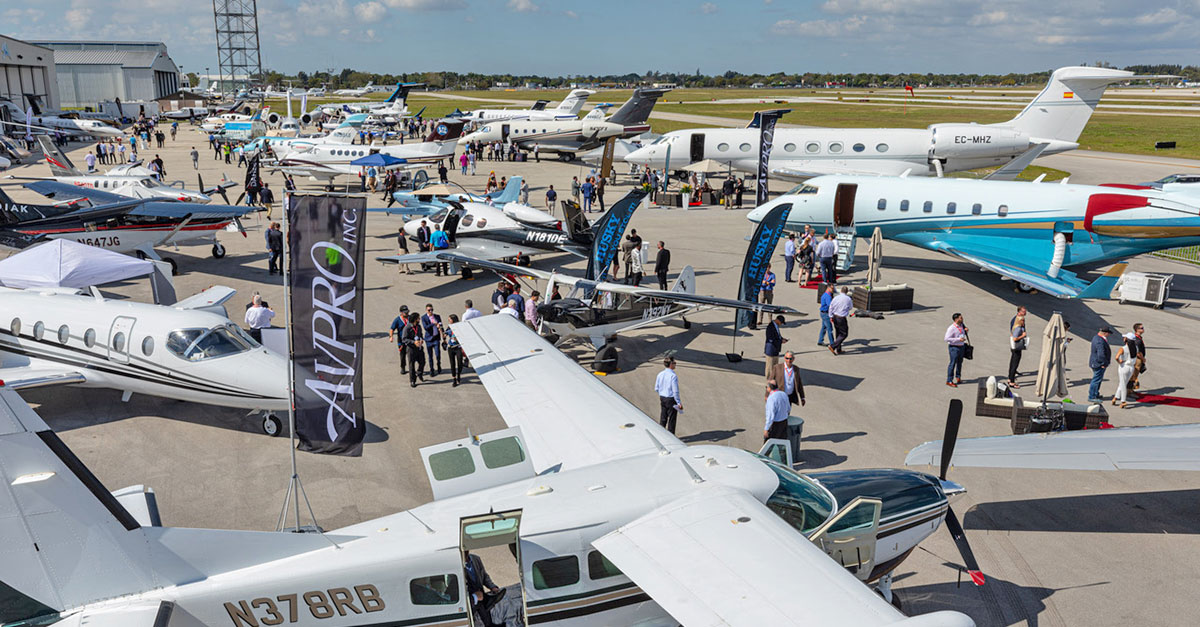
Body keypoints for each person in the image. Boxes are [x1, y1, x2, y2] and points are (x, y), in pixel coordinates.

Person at [464, 551, 500, 621]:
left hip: (482, 598)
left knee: (488, 621)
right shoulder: (457, 564)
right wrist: (473, 597)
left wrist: (492, 587)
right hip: (470, 602)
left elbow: (484, 576)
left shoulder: (476, 559)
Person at [1088, 326, 1113, 403]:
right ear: (1105, 333)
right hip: (1098, 363)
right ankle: (1092, 396)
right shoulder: (1100, 341)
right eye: (1108, 333)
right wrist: (1103, 363)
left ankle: (1095, 393)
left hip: (1095, 362)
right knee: (1096, 380)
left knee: (1098, 379)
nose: (1109, 335)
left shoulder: (1096, 337)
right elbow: (1101, 354)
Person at [1113, 332, 1137, 409]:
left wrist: (1119, 361)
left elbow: (1116, 357)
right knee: (1123, 383)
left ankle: (1123, 401)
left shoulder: (1123, 348)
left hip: (1124, 367)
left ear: (1126, 339)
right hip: (1131, 367)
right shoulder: (1136, 348)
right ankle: (1115, 398)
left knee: (1123, 384)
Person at [944, 313, 968, 387]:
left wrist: (966, 331)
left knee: (960, 363)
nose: (962, 319)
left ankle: (958, 377)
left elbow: (962, 333)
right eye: (961, 318)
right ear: (956, 319)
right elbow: (946, 339)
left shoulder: (962, 325)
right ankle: (949, 380)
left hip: (961, 347)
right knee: (953, 363)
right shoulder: (951, 328)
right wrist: (958, 339)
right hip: (954, 348)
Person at [829, 286, 852, 355]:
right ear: (847, 292)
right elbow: (850, 307)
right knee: (844, 333)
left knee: (838, 333)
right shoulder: (848, 299)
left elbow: (831, 306)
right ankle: (833, 346)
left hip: (835, 316)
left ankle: (838, 349)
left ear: (841, 291)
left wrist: (830, 316)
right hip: (841, 317)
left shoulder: (836, 298)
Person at [388, 305, 411, 375]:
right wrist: (391, 336)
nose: (406, 314)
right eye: (405, 312)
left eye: (407, 312)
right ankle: (403, 367)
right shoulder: (397, 320)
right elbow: (392, 329)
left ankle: (411, 368)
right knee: (402, 355)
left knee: (411, 355)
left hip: (410, 339)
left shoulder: (410, 318)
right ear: (401, 313)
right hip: (401, 341)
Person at [403, 314, 425, 386]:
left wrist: (421, 340)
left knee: (422, 362)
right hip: (411, 349)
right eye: (418, 318)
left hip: (419, 348)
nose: (419, 319)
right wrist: (413, 342)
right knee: (411, 365)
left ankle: (419, 373)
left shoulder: (418, 327)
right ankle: (412, 380)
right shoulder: (407, 328)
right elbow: (404, 339)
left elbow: (421, 335)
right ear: (415, 319)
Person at [422, 304, 444, 376]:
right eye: (429, 310)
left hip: (436, 338)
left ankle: (438, 365)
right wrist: (433, 324)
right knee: (430, 355)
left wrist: (442, 333)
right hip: (429, 339)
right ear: (426, 310)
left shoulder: (437, 316)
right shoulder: (424, 318)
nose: (431, 311)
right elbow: (425, 327)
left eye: (432, 309)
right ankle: (432, 369)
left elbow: (441, 325)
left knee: (437, 354)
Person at [444, 314, 464, 386]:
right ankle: (454, 378)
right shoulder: (449, 327)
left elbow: (463, 336)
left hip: (458, 347)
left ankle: (458, 374)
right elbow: (444, 335)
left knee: (460, 363)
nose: (448, 321)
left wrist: (458, 339)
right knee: (452, 363)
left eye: (449, 320)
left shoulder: (459, 327)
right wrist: (441, 331)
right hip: (451, 347)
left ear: (453, 320)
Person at [1127, 323, 1147, 392]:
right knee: (1133, 376)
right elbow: (1137, 352)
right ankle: (1129, 390)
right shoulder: (1137, 340)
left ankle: (1131, 389)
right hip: (1137, 359)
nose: (1143, 329)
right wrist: (1143, 359)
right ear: (1137, 330)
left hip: (1138, 359)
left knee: (1134, 375)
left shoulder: (1138, 338)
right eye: (1141, 328)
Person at [1008, 314, 1027, 388]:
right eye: (1023, 320)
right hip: (1017, 347)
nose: (1024, 322)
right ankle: (1012, 381)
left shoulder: (1016, 327)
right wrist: (1023, 335)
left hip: (1015, 348)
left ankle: (1010, 379)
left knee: (1013, 363)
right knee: (1014, 364)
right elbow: (1015, 338)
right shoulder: (1018, 328)